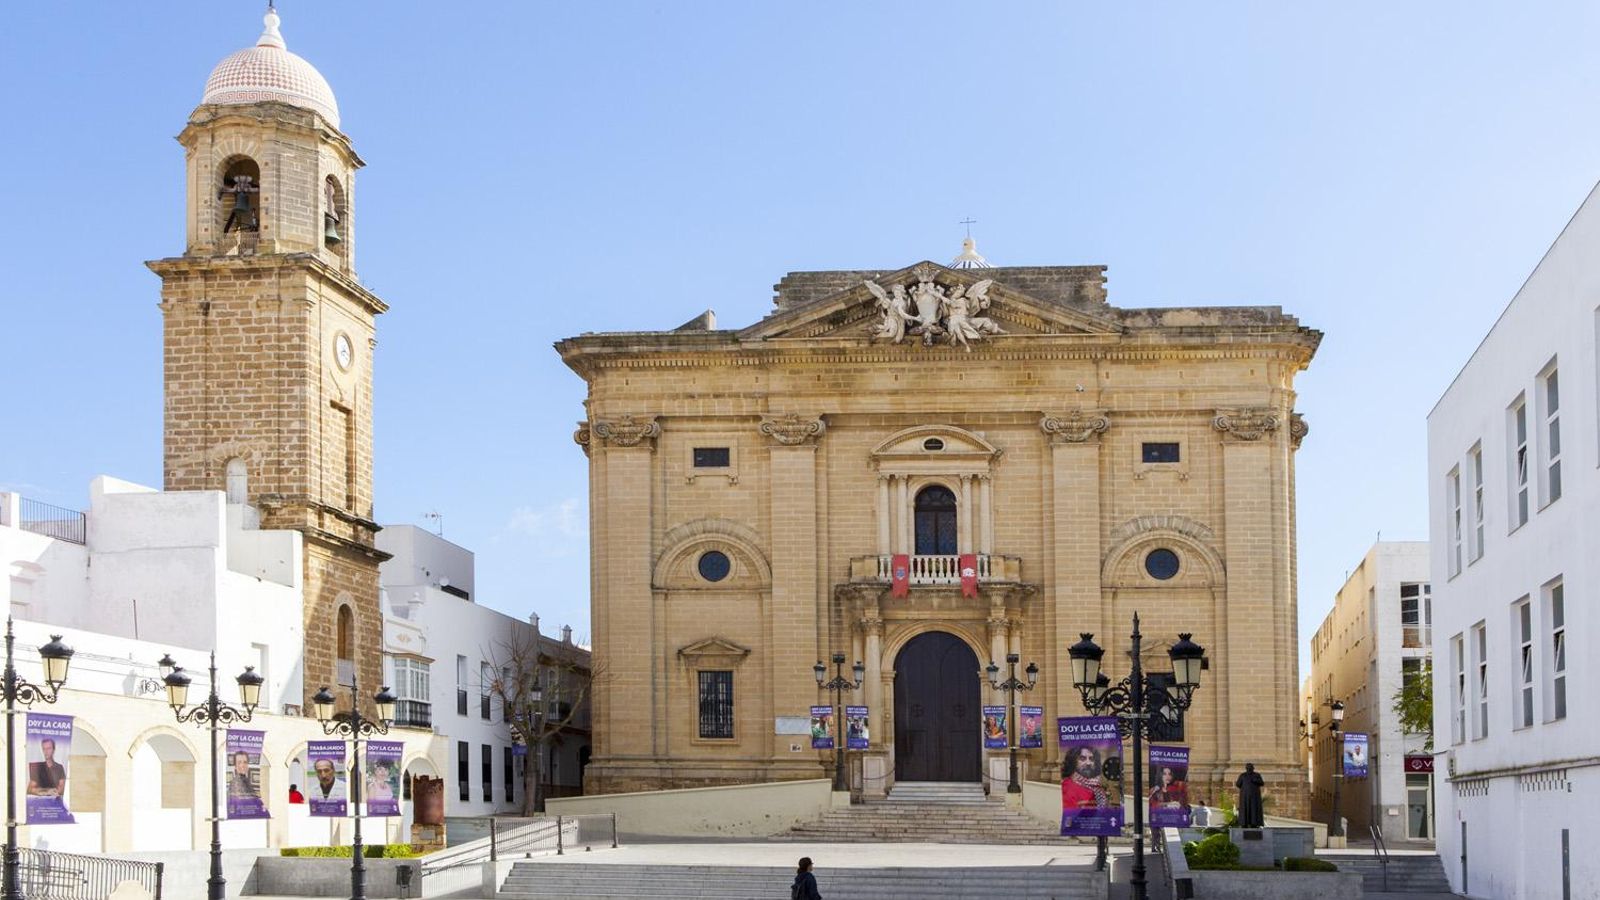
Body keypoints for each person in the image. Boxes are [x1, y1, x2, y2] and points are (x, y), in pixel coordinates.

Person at [1061, 745, 1108, 818]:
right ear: (1073, 762)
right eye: (1082, 758)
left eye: (1091, 759)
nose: (1088, 763)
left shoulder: (1096, 786)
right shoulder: (1067, 787)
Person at [1235, 762, 1265, 828]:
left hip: (1255, 797)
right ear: (1246, 768)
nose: (1249, 769)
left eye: (1250, 767)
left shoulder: (1257, 775)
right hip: (1245, 797)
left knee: (1254, 809)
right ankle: (1244, 823)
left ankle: (1254, 823)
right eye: (1248, 767)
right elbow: (1238, 784)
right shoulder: (1242, 775)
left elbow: (1262, 783)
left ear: (1253, 768)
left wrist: (1256, 780)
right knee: (1245, 809)